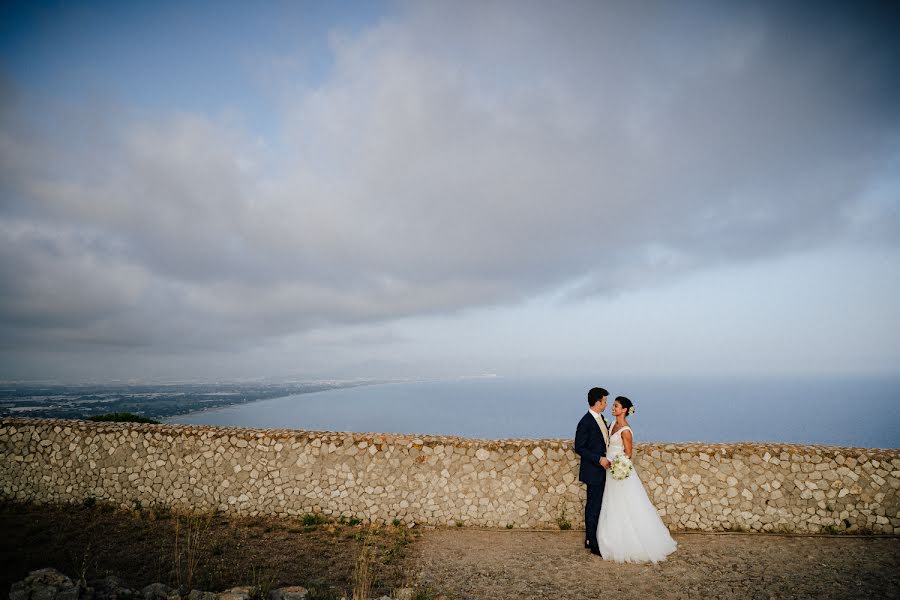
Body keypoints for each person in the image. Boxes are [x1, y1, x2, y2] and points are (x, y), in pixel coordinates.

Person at [596, 396, 677, 562]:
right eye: (613, 406)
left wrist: (617, 466)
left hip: (618, 470)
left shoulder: (626, 430)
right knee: (613, 502)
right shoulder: (611, 424)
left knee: (626, 503)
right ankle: (611, 536)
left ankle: (633, 541)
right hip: (609, 469)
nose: (613, 408)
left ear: (624, 410)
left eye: (616, 406)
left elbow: (628, 454)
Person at [574, 387, 611, 556]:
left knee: (597, 505)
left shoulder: (600, 418)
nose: (606, 403)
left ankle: (593, 538)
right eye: (604, 401)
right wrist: (599, 459)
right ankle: (592, 542)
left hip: (602, 471)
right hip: (593, 471)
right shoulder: (585, 422)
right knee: (593, 506)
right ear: (598, 402)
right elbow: (579, 447)